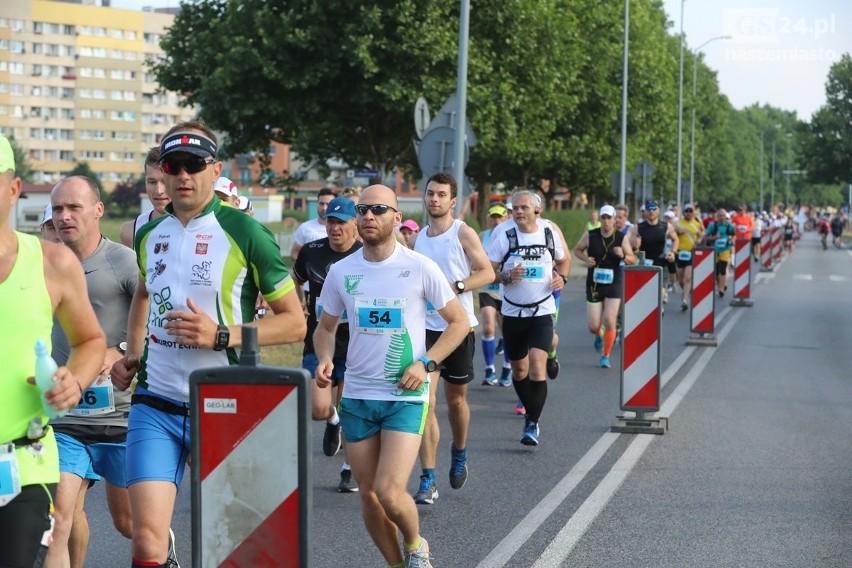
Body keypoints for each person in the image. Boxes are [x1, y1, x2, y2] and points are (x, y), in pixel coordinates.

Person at [109, 120, 306, 568]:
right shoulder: (147, 234)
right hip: (154, 403)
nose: (181, 176)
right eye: (172, 165)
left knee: (229, 543)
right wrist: (132, 353)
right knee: (146, 542)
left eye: (193, 165)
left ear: (214, 170)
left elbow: (295, 324)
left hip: (223, 403)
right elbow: (145, 293)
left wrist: (222, 335)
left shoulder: (245, 232)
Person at [314, 184, 469, 568]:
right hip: (357, 397)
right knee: (368, 495)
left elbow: (459, 322)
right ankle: (397, 564)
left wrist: (427, 364)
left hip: (404, 394)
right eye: (362, 210)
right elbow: (325, 327)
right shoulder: (342, 271)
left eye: (378, 209)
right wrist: (324, 357)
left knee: (388, 489)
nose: (368, 216)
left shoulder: (419, 267)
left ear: (396, 218)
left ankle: (416, 544)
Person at [0, 135, 106, 568]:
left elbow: (90, 341)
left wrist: (74, 380)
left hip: (25, 461)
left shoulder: (52, 263)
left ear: (13, 189)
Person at [44, 176, 145, 568]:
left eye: (74, 207)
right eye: (57, 210)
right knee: (59, 519)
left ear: (98, 209)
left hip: (120, 416)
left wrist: (119, 350)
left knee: (130, 524)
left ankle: (163, 555)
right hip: (65, 417)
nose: (65, 216)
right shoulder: (45, 265)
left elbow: (156, 318)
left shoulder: (123, 261)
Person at [413, 172, 494, 505]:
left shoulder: (463, 232)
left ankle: (459, 451)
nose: (434, 199)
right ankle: (428, 478)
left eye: (441, 195)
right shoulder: (419, 237)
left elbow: (488, 273)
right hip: (426, 329)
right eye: (430, 193)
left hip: (459, 327)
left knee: (456, 401)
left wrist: (457, 287)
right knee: (425, 402)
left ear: (452, 201)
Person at [487, 190, 570, 446]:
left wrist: (562, 278)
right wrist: (506, 277)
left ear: (538, 209)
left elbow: (564, 261)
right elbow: (489, 272)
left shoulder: (548, 233)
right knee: (520, 370)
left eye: (524, 207)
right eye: (515, 208)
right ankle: (529, 410)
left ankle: (532, 422)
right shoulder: (505, 235)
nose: (519, 212)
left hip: (542, 310)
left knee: (536, 365)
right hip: (512, 312)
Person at [292, 196, 363, 493]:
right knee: (318, 408)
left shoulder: (365, 254)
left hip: (356, 343)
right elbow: (294, 279)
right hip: (319, 338)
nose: (335, 228)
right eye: (331, 221)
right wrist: (300, 305)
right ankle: (332, 421)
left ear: (354, 225)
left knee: (349, 407)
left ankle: (349, 469)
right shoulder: (311, 252)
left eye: (341, 223)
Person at [573, 205, 635, 368]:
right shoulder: (590, 235)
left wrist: (623, 255)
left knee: (609, 320)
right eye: (604, 218)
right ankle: (599, 334)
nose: (606, 221)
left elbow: (632, 259)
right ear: (600, 219)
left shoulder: (621, 237)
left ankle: (605, 355)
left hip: (614, 282)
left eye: (609, 218)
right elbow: (577, 250)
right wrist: (586, 260)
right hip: (594, 283)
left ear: (615, 219)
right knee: (593, 326)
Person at [478, 204, 512, 387]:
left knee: (506, 331)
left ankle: (507, 368)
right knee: (489, 328)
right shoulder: (482, 236)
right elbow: (471, 258)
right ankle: (489, 369)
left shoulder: (512, 235)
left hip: (507, 289)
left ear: (506, 217)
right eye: (493, 216)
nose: (496, 220)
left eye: (500, 216)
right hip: (488, 288)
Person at [629, 199, 678, 307]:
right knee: (645, 292)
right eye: (648, 209)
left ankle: (659, 308)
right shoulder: (638, 227)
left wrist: (673, 252)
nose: (651, 211)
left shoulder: (666, 226)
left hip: (661, 262)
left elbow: (675, 239)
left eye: (653, 208)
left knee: (660, 289)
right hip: (644, 263)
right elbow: (630, 247)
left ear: (658, 210)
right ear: (645, 211)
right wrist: (635, 246)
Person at [120, 147, 169, 249]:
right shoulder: (130, 232)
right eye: (152, 182)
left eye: (165, 182)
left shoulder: (202, 227)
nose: (159, 191)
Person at [290, 187, 336, 261]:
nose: (324, 208)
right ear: (317, 204)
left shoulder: (340, 229)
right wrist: (305, 265)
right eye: (321, 204)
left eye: (328, 204)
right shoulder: (305, 227)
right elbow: (294, 251)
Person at [674, 203, 705, 311]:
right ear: (683, 212)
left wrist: (699, 240)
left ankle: (684, 300)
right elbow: (671, 235)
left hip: (691, 252)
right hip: (679, 252)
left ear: (694, 212)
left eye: (690, 211)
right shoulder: (677, 223)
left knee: (688, 277)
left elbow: (701, 234)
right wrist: (678, 232)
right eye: (686, 211)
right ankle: (686, 292)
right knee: (680, 279)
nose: (688, 213)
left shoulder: (697, 223)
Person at [705, 208, 735, 297]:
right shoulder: (712, 226)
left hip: (725, 250)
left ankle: (721, 289)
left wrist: (732, 241)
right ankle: (719, 286)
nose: (722, 217)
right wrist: (715, 237)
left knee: (723, 269)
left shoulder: (729, 226)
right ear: (716, 217)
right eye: (720, 216)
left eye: (723, 216)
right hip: (714, 250)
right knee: (716, 271)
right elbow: (707, 238)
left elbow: (733, 235)